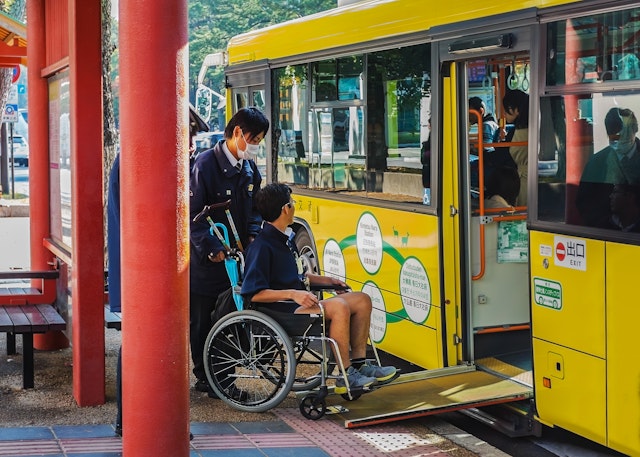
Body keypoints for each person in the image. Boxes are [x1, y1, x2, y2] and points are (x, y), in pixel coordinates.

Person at [108, 104, 208, 437]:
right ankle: (142, 421)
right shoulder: (142, 160)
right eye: (188, 133)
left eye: (191, 135)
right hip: (147, 271)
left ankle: (135, 420)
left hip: (148, 271)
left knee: (140, 342)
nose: (192, 143)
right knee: (143, 343)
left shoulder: (144, 156)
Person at [240, 183, 398, 393]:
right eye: (292, 203)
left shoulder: (285, 239)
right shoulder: (261, 247)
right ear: (285, 209)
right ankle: (345, 375)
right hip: (282, 310)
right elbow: (254, 293)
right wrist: (293, 294)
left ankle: (360, 364)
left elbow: (297, 276)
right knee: (339, 307)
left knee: (362, 300)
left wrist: (330, 281)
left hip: (296, 303)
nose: (294, 207)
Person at [189, 107, 269, 396]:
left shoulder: (248, 168)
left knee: (229, 318)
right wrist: (211, 248)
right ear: (237, 133)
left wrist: (252, 234)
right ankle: (205, 377)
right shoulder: (205, 164)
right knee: (201, 320)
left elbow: (257, 208)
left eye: (260, 139)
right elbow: (191, 214)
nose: (256, 145)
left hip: (236, 260)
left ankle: (222, 378)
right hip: (206, 260)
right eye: (255, 138)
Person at [577, 107, 640, 228]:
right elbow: (583, 201)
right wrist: (607, 223)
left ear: (635, 129)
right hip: (607, 232)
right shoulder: (596, 162)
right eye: (613, 137)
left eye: (623, 135)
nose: (619, 140)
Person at [501, 89, 529, 206]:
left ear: (516, 110)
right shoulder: (525, 127)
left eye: (507, 111)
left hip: (525, 179)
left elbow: (508, 154)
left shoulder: (522, 131)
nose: (504, 114)